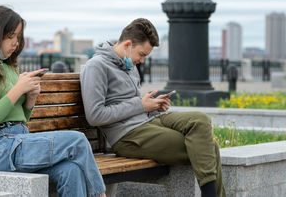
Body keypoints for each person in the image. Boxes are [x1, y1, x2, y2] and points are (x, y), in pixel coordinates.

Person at [0, 5, 106, 197]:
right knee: (77, 140)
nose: (15, 43)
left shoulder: (9, 67)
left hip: (18, 142)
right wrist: (18, 90)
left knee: (71, 170)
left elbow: (21, 118)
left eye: (18, 37)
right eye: (10, 36)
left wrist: (30, 98)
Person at [80, 18, 226, 197]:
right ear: (128, 44)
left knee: (200, 119)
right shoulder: (96, 66)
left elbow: (132, 105)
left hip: (149, 120)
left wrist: (153, 106)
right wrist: (140, 105)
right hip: (127, 136)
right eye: (142, 54)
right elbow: (94, 115)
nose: (142, 60)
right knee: (209, 147)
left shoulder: (129, 64)